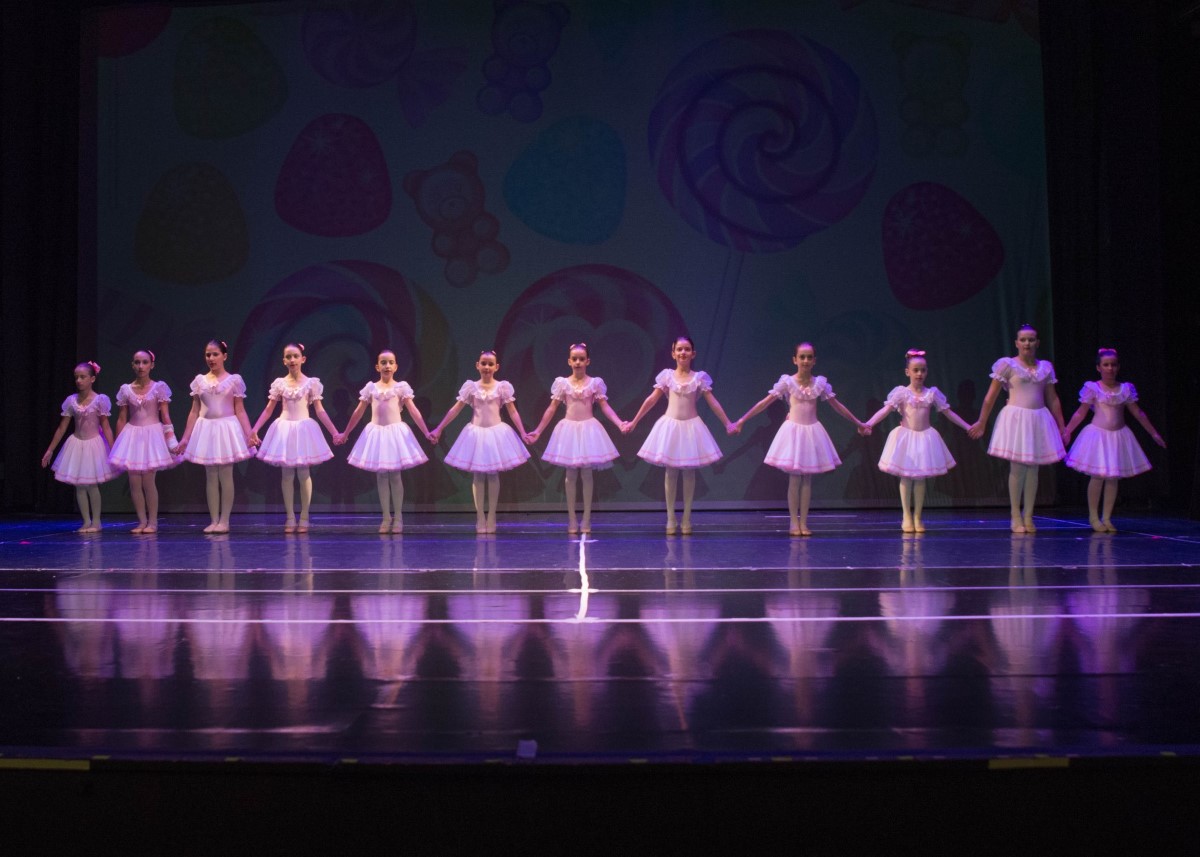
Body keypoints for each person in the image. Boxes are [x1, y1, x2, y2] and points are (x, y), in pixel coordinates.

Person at [732, 342, 865, 536]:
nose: (805, 360)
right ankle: (794, 522)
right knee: (795, 479)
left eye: (809, 357)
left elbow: (837, 406)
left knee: (807, 480)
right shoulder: (788, 382)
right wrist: (742, 420)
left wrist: (858, 422)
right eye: (802, 357)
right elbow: (765, 402)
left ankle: (804, 522)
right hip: (794, 433)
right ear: (795, 360)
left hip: (811, 433)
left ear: (814, 360)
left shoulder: (819, 384)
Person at [624, 336, 735, 535]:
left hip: (691, 428)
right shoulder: (667, 376)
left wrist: (727, 423)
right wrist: (635, 421)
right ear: (673, 353)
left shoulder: (699, 378)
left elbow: (713, 402)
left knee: (689, 472)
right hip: (671, 427)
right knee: (671, 472)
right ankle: (670, 517)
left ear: (693, 353)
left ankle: (686, 517)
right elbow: (651, 400)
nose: (683, 352)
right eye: (679, 349)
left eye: (687, 349)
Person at [968, 324, 1069, 534]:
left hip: (1038, 419)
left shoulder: (1045, 367)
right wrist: (982, 421)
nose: (1027, 343)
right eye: (1023, 339)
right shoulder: (1008, 365)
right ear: (1016, 343)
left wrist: (1062, 426)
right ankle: (1015, 515)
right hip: (1016, 419)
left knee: (1033, 468)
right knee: (1018, 468)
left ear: (1037, 343)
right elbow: (990, 397)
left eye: (1031, 339)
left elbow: (1053, 398)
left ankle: (1029, 515)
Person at [861, 350, 972, 533]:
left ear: (927, 372)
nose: (919, 373)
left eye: (923, 370)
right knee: (906, 477)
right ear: (908, 372)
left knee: (920, 479)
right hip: (906, 438)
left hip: (925, 438)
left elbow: (948, 413)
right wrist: (869, 424)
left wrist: (967, 426)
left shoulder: (932, 393)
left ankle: (918, 516)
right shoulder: (902, 393)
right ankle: (906, 515)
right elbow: (885, 410)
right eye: (916, 370)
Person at [1063, 348, 1166, 532]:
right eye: (1106, 365)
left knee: (1113, 478)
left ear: (1118, 367)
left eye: (1113, 365)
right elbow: (1081, 413)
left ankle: (1107, 517)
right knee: (1097, 476)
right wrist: (1067, 431)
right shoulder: (1093, 388)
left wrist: (1154, 433)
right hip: (1098, 437)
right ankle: (1093, 517)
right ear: (1099, 367)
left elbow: (1138, 413)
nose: (1110, 368)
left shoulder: (1125, 389)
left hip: (1118, 437)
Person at [525, 343, 624, 534]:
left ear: (588, 361)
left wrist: (619, 423)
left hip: (588, 430)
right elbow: (552, 408)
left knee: (587, 474)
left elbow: (605, 407)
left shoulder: (594, 383)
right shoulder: (563, 383)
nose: (578, 362)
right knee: (570, 475)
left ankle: (586, 518)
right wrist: (538, 431)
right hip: (569, 430)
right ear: (569, 361)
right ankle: (571, 518)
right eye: (575, 359)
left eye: (581, 359)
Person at [429, 350, 530, 534]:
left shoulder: (502, 387)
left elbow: (513, 411)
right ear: (477, 365)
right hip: (476, 434)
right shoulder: (471, 387)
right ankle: (480, 516)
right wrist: (439, 428)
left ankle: (491, 516)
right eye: (484, 363)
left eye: (490, 364)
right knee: (478, 476)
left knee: (492, 475)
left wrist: (522, 432)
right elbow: (456, 409)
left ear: (496, 367)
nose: (487, 367)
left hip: (496, 434)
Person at [339, 349, 432, 534]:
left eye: (390, 362)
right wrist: (345, 433)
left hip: (395, 435)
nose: (387, 365)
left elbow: (413, 411)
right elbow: (358, 412)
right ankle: (386, 517)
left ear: (396, 366)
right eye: (383, 362)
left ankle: (398, 517)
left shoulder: (401, 387)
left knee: (395, 476)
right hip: (377, 434)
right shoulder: (371, 388)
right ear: (377, 366)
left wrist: (426, 432)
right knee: (381, 476)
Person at [249, 343, 339, 533]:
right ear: (284, 361)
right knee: (287, 474)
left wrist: (334, 432)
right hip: (285, 429)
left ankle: (304, 517)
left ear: (302, 359)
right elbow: (269, 410)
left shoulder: (311, 383)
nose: (292, 360)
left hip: (303, 429)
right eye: (288, 357)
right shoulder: (280, 384)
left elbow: (320, 411)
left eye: (295, 356)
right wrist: (254, 429)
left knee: (304, 473)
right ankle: (290, 517)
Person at [173, 339, 255, 534]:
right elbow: (194, 411)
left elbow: (240, 410)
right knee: (210, 475)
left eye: (215, 354)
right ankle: (214, 520)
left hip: (226, 429)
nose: (211, 358)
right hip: (206, 429)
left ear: (224, 356)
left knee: (225, 474)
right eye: (208, 354)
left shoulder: (234, 380)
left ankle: (224, 520)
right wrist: (185, 438)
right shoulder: (199, 381)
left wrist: (249, 434)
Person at [41, 360, 119, 532]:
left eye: (83, 377)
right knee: (80, 485)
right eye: (76, 377)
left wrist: (114, 449)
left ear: (92, 379)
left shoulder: (100, 400)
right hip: (76, 444)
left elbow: (106, 426)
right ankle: (85, 521)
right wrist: (50, 449)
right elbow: (62, 427)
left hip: (94, 445)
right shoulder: (71, 401)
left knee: (92, 485)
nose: (78, 380)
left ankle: (96, 521)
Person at [109, 350, 177, 533]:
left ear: (151, 365)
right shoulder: (126, 389)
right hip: (132, 436)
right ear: (132, 365)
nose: (141, 366)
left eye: (145, 362)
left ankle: (153, 522)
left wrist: (171, 440)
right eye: (137, 362)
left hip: (152, 436)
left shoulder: (159, 388)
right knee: (134, 482)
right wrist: (117, 445)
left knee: (148, 481)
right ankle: (141, 521)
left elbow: (165, 415)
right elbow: (121, 418)